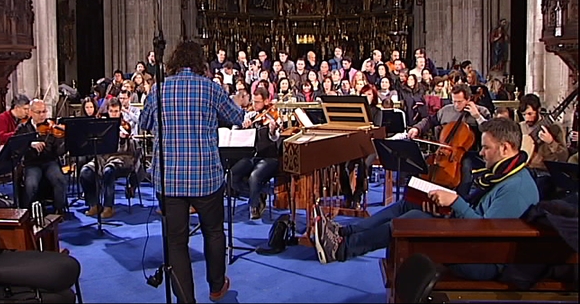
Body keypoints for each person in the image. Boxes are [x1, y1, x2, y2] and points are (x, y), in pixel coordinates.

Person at [313, 117, 539, 282]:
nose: (481, 153)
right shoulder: (506, 173)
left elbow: (486, 232)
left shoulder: (515, 188)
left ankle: (342, 249)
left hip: (484, 260)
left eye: (486, 148)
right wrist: (448, 206)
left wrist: (455, 202)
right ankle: (344, 233)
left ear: (505, 148)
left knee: (412, 220)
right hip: (475, 241)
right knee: (409, 204)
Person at [139, 41, 245, 303]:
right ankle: (217, 286)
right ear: (200, 62)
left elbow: (143, 123)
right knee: (213, 231)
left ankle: (186, 300)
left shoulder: (159, 90)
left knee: (176, 242)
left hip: (170, 177)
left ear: (173, 61)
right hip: (205, 175)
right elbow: (237, 116)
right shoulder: (211, 89)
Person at [406, 84, 492, 198]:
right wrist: (417, 128)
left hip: (471, 153)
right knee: (423, 163)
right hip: (446, 150)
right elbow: (429, 121)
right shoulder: (446, 111)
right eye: (454, 101)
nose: (456, 105)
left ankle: (462, 200)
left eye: (459, 101)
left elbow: (491, 132)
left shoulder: (482, 111)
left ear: (468, 99)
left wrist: (477, 117)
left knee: (465, 167)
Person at [79, 97, 135, 219]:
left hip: (120, 159)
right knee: (85, 172)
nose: (114, 114)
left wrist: (122, 139)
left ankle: (108, 206)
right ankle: (93, 204)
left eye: (116, 111)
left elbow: (127, 150)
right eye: (111, 111)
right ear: (107, 111)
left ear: (120, 111)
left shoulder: (125, 125)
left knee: (108, 171)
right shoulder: (102, 125)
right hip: (102, 158)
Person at [231, 87, 281, 220]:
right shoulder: (250, 115)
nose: (255, 105)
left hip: (269, 158)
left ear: (266, 101)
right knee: (232, 176)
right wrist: (242, 127)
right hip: (252, 156)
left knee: (254, 177)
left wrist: (272, 129)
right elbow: (236, 132)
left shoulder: (273, 115)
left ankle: (254, 206)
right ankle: (258, 195)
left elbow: (275, 137)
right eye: (253, 101)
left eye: (258, 102)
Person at [14, 99, 68, 213]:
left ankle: (59, 210)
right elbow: (16, 147)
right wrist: (30, 144)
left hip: (49, 162)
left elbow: (58, 152)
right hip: (32, 164)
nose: (42, 115)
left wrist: (64, 142)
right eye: (39, 112)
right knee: (31, 184)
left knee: (60, 179)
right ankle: (28, 213)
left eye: (44, 111)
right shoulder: (23, 128)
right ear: (31, 113)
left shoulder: (51, 128)